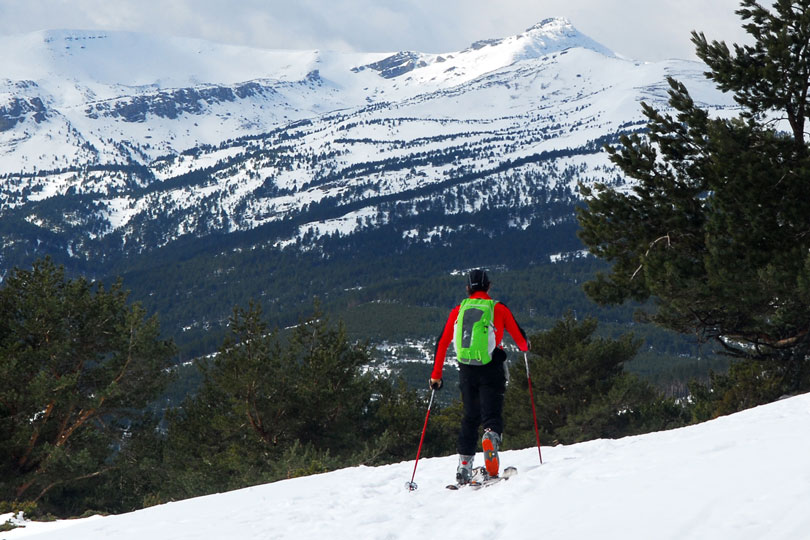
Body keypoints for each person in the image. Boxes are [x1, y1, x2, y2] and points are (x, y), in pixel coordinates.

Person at [429, 269, 530, 484]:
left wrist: (436, 375)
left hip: (466, 369)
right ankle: (490, 437)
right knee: (491, 414)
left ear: (468, 288)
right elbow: (520, 339)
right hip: (492, 366)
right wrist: (525, 345)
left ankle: (464, 467)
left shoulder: (458, 310)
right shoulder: (497, 308)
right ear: (489, 286)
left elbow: (442, 342)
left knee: (470, 416)